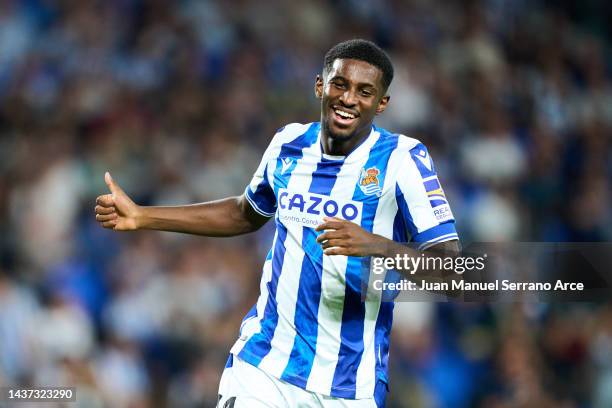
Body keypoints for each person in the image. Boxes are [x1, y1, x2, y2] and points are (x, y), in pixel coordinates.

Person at [95, 39, 459, 408]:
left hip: (350, 384)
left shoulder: (403, 160)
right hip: (265, 364)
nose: (348, 99)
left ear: (382, 103)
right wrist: (144, 215)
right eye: (340, 85)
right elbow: (245, 213)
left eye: (365, 92)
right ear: (320, 85)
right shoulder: (288, 144)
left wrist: (376, 245)